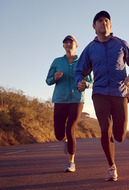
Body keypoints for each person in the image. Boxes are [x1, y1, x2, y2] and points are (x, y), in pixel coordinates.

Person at [75, 11, 129, 181]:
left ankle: (116, 140)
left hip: (120, 94)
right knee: (105, 129)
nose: (103, 23)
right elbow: (80, 70)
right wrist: (79, 82)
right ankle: (112, 167)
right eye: (100, 21)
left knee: (119, 136)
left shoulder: (120, 44)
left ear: (110, 25)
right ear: (94, 26)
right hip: (100, 94)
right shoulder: (90, 48)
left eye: (106, 21)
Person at [46, 35, 92, 173]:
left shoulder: (83, 61)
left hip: (77, 99)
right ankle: (64, 140)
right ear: (63, 46)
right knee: (59, 134)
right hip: (60, 99)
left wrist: (86, 84)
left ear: (76, 45)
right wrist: (54, 77)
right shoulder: (57, 61)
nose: (68, 44)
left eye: (71, 42)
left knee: (70, 128)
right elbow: (48, 80)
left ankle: (71, 162)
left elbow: (90, 80)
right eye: (65, 42)